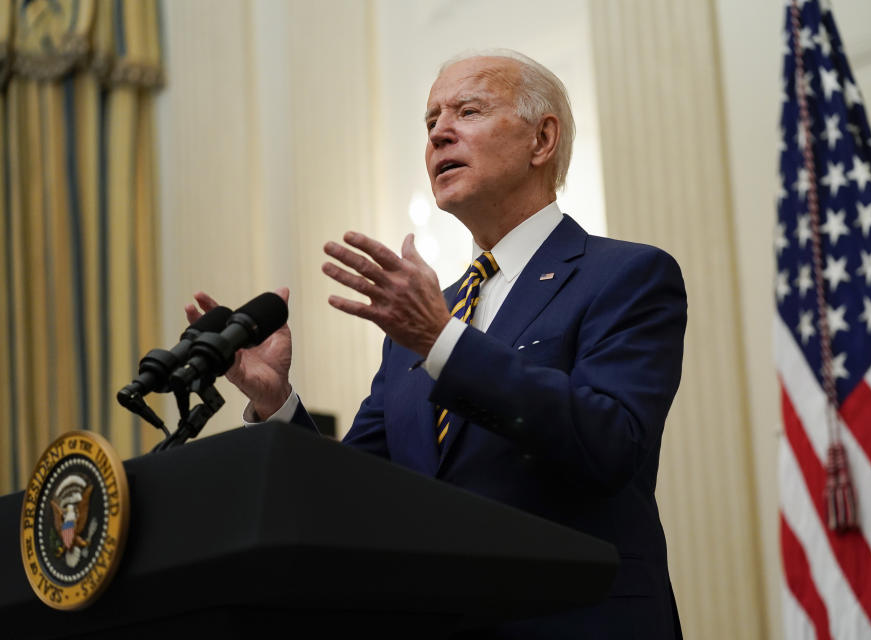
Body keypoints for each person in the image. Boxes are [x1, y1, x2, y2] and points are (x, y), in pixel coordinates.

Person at [187, 50, 686, 639]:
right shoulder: (422, 321)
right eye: (430, 123)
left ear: (541, 139)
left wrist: (443, 341)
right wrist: (277, 404)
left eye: (468, 111)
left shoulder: (625, 276)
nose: (439, 134)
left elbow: (609, 442)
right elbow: (351, 495)